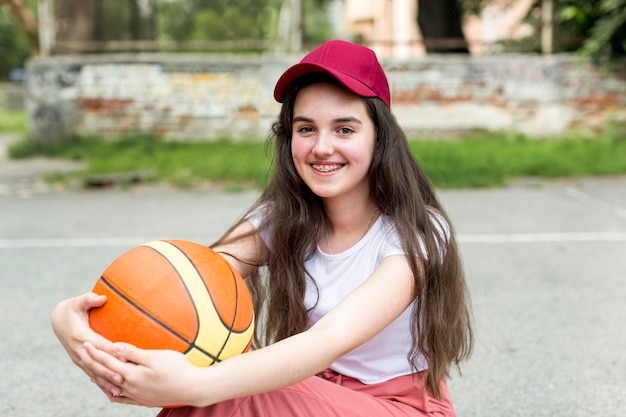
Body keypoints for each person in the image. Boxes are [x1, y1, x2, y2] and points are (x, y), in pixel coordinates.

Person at [51, 39, 473, 416]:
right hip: (314, 394)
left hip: (397, 407)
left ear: (380, 139)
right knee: (216, 367)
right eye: (306, 128)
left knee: (223, 388)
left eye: (344, 128)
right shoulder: (284, 216)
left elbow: (329, 338)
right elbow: (190, 286)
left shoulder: (418, 232)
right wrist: (74, 324)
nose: (322, 147)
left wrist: (196, 385)